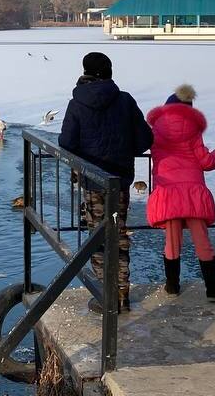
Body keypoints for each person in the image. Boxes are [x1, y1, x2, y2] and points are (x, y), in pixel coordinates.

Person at [59, 51, 153, 313]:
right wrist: (122, 148)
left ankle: (105, 295)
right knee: (118, 233)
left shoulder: (76, 103)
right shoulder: (125, 101)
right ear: (110, 71)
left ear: (85, 72)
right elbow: (144, 140)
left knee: (98, 237)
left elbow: (66, 142)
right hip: (119, 180)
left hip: (92, 180)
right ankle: (121, 293)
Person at [145, 84, 215, 302]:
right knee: (202, 242)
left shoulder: (155, 131)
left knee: (172, 243)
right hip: (192, 193)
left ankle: (172, 286)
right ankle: (213, 290)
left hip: (168, 193)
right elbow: (206, 161)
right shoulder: (193, 129)